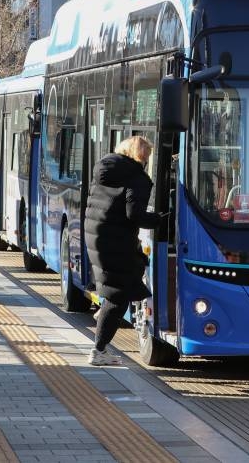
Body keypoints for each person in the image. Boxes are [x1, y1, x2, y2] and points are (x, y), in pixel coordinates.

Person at [83, 136, 163, 366]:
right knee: (119, 296)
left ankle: (103, 318)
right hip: (115, 242)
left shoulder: (104, 167)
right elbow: (134, 215)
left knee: (119, 288)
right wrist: (159, 220)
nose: (147, 160)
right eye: (146, 156)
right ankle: (98, 351)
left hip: (97, 238)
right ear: (140, 156)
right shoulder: (137, 178)